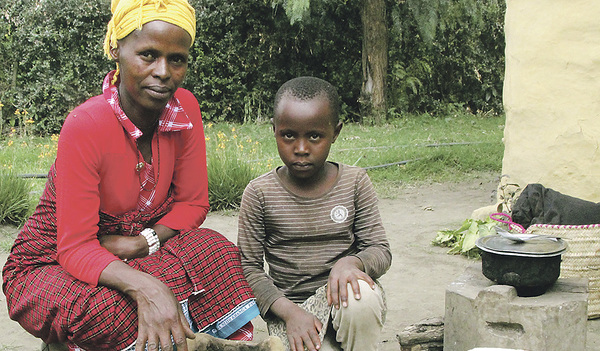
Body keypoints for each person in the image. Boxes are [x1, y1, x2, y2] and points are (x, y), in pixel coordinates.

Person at [2, 1, 261, 350]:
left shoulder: (185, 111)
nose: (163, 71)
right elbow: (76, 246)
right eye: (148, 55)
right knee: (109, 311)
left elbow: (193, 203)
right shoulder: (86, 125)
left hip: (135, 247)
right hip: (55, 259)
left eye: (177, 59)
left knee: (218, 253)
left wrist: (143, 243)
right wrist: (147, 287)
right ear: (116, 50)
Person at [237, 77, 392, 351]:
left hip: (343, 299)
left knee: (362, 298)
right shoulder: (259, 193)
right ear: (274, 131)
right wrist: (289, 313)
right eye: (289, 135)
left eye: (314, 136)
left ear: (336, 132)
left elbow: (379, 249)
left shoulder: (355, 182)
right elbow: (248, 268)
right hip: (290, 311)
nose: (300, 148)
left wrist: (351, 263)